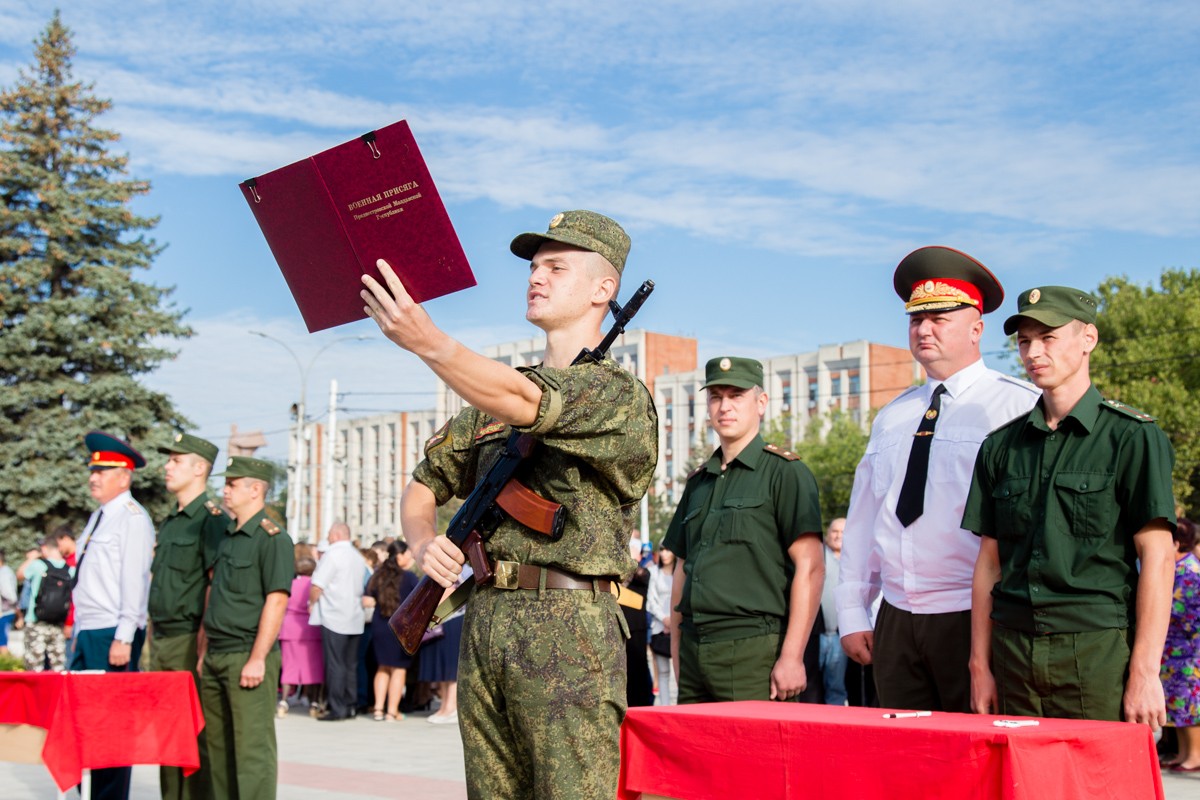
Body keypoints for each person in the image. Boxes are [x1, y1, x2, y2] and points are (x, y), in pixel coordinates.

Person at [362, 209, 657, 799]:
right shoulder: (488, 404)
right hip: (487, 619)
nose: (536, 277)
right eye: (532, 267)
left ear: (604, 289)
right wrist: (424, 541)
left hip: (570, 627)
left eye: (556, 267)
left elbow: (526, 400)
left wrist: (428, 341)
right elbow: (423, 486)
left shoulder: (616, 394)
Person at [837, 247, 1039, 713]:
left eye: (939, 318)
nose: (924, 329)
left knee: (974, 750)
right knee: (902, 753)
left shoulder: (1018, 406)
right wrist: (852, 609)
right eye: (916, 319)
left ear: (976, 329)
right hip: (896, 616)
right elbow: (864, 520)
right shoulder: (892, 416)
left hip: (976, 614)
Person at [964, 285, 1176, 724]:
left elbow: (1158, 557)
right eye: (1024, 341)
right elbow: (989, 563)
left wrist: (1144, 672)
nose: (1033, 352)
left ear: (1088, 339)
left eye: (1048, 337)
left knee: (1098, 770)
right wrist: (979, 664)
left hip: (1096, 650)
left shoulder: (1131, 436)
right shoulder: (1000, 447)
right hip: (1013, 651)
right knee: (1017, 769)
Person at [664, 356, 824, 704]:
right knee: (694, 741)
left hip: (753, 650)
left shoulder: (785, 473)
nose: (725, 407)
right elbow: (681, 571)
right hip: (693, 649)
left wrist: (793, 656)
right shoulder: (698, 482)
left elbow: (811, 567)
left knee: (754, 741)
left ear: (761, 402)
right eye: (716, 397)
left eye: (736, 395)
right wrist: (678, 654)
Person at [200, 456, 294, 800]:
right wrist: (202, 651)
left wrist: (257, 658)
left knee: (252, 751)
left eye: (232, 484)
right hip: (216, 653)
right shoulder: (227, 536)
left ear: (255, 490)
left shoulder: (272, 539)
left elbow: (276, 601)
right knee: (218, 749)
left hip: (246, 654)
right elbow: (214, 595)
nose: (225, 490)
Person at [72, 431, 155, 800]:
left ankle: (109, 796)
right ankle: (90, 792)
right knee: (85, 722)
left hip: (112, 633)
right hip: (89, 630)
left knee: (111, 725)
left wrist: (124, 635)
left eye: (102, 471)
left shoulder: (132, 518)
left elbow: (134, 580)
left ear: (124, 476)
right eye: (93, 470)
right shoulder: (99, 517)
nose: (94, 477)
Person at [149, 432, 225, 800]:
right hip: (162, 637)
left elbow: (214, 583)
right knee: (165, 731)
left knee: (194, 731)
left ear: (199, 469)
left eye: (176, 461)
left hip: (188, 636)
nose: (167, 466)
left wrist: (203, 644)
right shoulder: (171, 521)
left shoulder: (210, 519)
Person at [308, 521, 368, 721]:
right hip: (354, 616)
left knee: (335, 664)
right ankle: (351, 705)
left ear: (335, 535)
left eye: (329, 534)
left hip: (334, 615)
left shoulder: (332, 554)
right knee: (351, 664)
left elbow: (317, 585)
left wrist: (311, 603)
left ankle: (337, 707)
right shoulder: (357, 556)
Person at [363, 540, 419, 720]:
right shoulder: (409, 577)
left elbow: (367, 599)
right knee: (399, 669)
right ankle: (392, 711)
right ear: (400, 555)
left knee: (382, 668)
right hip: (401, 628)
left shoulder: (378, 575)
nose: (410, 557)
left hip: (380, 625)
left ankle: (378, 709)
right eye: (408, 554)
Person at [1160, 518, 1200, 769]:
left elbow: (1190, 615)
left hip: (1188, 651)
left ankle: (1195, 755)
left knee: (1189, 705)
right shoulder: (1177, 568)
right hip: (1174, 651)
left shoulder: (1190, 571)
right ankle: (1184, 753)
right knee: (1177, 704)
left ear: (1177, 543)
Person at [279, 553, 324, 717]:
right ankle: (314, 702)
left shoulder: (289, 584)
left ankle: (284, 701)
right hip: (312, 628)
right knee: (314, 666)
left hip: (290, 627)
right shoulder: (315, 586)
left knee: (289, 665)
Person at [20, 536, 73, 671]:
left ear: (44, 548)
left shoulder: (38, 565)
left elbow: (20, 574)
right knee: (58, 666)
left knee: (34, 666)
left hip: (36, 621)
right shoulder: (69, 570)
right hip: (58, 623)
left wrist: (32, 557)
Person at [818, 518, 848, 706]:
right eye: (834, 531)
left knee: (836, 687)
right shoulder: (820, 557)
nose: (838, 536)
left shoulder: (853, 563)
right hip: (816, 635)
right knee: (811, 687)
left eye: (843, 532)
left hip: (840, 637)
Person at [645, 546, 676, 705]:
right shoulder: (654, 573)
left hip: (679, 626)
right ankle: (666, 708)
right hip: (659, 627)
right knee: (663, 672)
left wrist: (674, 621)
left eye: (668, 550)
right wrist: (664, 619)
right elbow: (650, 601)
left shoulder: (682, 572)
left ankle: (681, 710)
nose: (664, 554)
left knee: (681, 672)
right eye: (662, 550)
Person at [0, 549, 15, 654]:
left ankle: (5, 662)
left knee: (2, 642)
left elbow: (10, 595)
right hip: (5, 611)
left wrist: (14, 605)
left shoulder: (4, 573)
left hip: (4, 612)